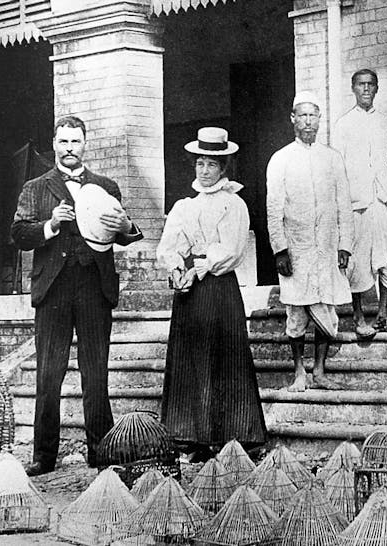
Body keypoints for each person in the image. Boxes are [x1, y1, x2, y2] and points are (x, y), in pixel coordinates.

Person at [11, 115, 143, 476]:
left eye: (76, 142)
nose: (70, 149)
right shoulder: (36, 188)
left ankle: (101, 449)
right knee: (48, 374)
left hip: (93, 286)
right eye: (63, 142)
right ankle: (44, 455)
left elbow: (124, 231)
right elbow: (19, 234)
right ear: (54, 144)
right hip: (52, 289)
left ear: (86, 144)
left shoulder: (106, 186)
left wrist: (127, 228)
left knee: (95, 370)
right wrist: (51, 225)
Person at [156, 127, 266, 460]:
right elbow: (169, 245)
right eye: (200, 164)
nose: (204, 171)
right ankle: (193, 436)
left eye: (211, 165)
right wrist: (178, 272)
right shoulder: (184, 205)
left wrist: (200, 268)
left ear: (223, 167)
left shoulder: (233, 203)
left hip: (217, 287)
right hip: (190, 291)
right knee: (191, 359)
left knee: (223, 359)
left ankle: (235, 433)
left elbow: (231, 249)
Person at [266, 92, 354, 392]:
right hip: (296, 249)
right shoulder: (280, 159)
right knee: (297, 312)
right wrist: (280, 250)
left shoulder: (332, 158)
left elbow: (344, 204)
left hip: (327, 249)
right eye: (301, 115)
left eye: (312, 115)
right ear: (292, 118)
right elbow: (273, 209)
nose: (307, 121)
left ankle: (319, 370)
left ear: (319, 119)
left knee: (326, 311)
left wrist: (345, 245)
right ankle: (299, 373)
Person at [334, 68, 387, 338]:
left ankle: (383, 315)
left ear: (377, 89)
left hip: (382, 204)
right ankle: (357, 316)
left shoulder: (384, 122)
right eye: (361, 85)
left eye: (371, 85)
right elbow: (337, 167)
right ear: (353, 89)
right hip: (357, 206)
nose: (366, 89)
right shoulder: (343, 125)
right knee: (358, 262)